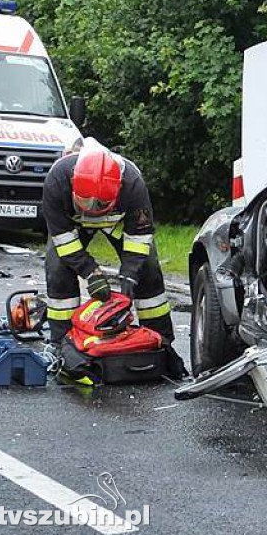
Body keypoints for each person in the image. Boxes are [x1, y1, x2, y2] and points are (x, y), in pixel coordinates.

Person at [42, 138, 185, 377]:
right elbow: (63, 238)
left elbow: (139, 236)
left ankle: (161, 342)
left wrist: (129, 276)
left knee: (148, 271)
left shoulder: (132, 183)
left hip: (118, 222)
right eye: (85, 201)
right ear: (73, 182)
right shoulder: (56, 180)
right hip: (73, 225)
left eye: (98, 203)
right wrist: (90, 272)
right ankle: (62, 345)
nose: (91, 208)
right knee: (58, 269)